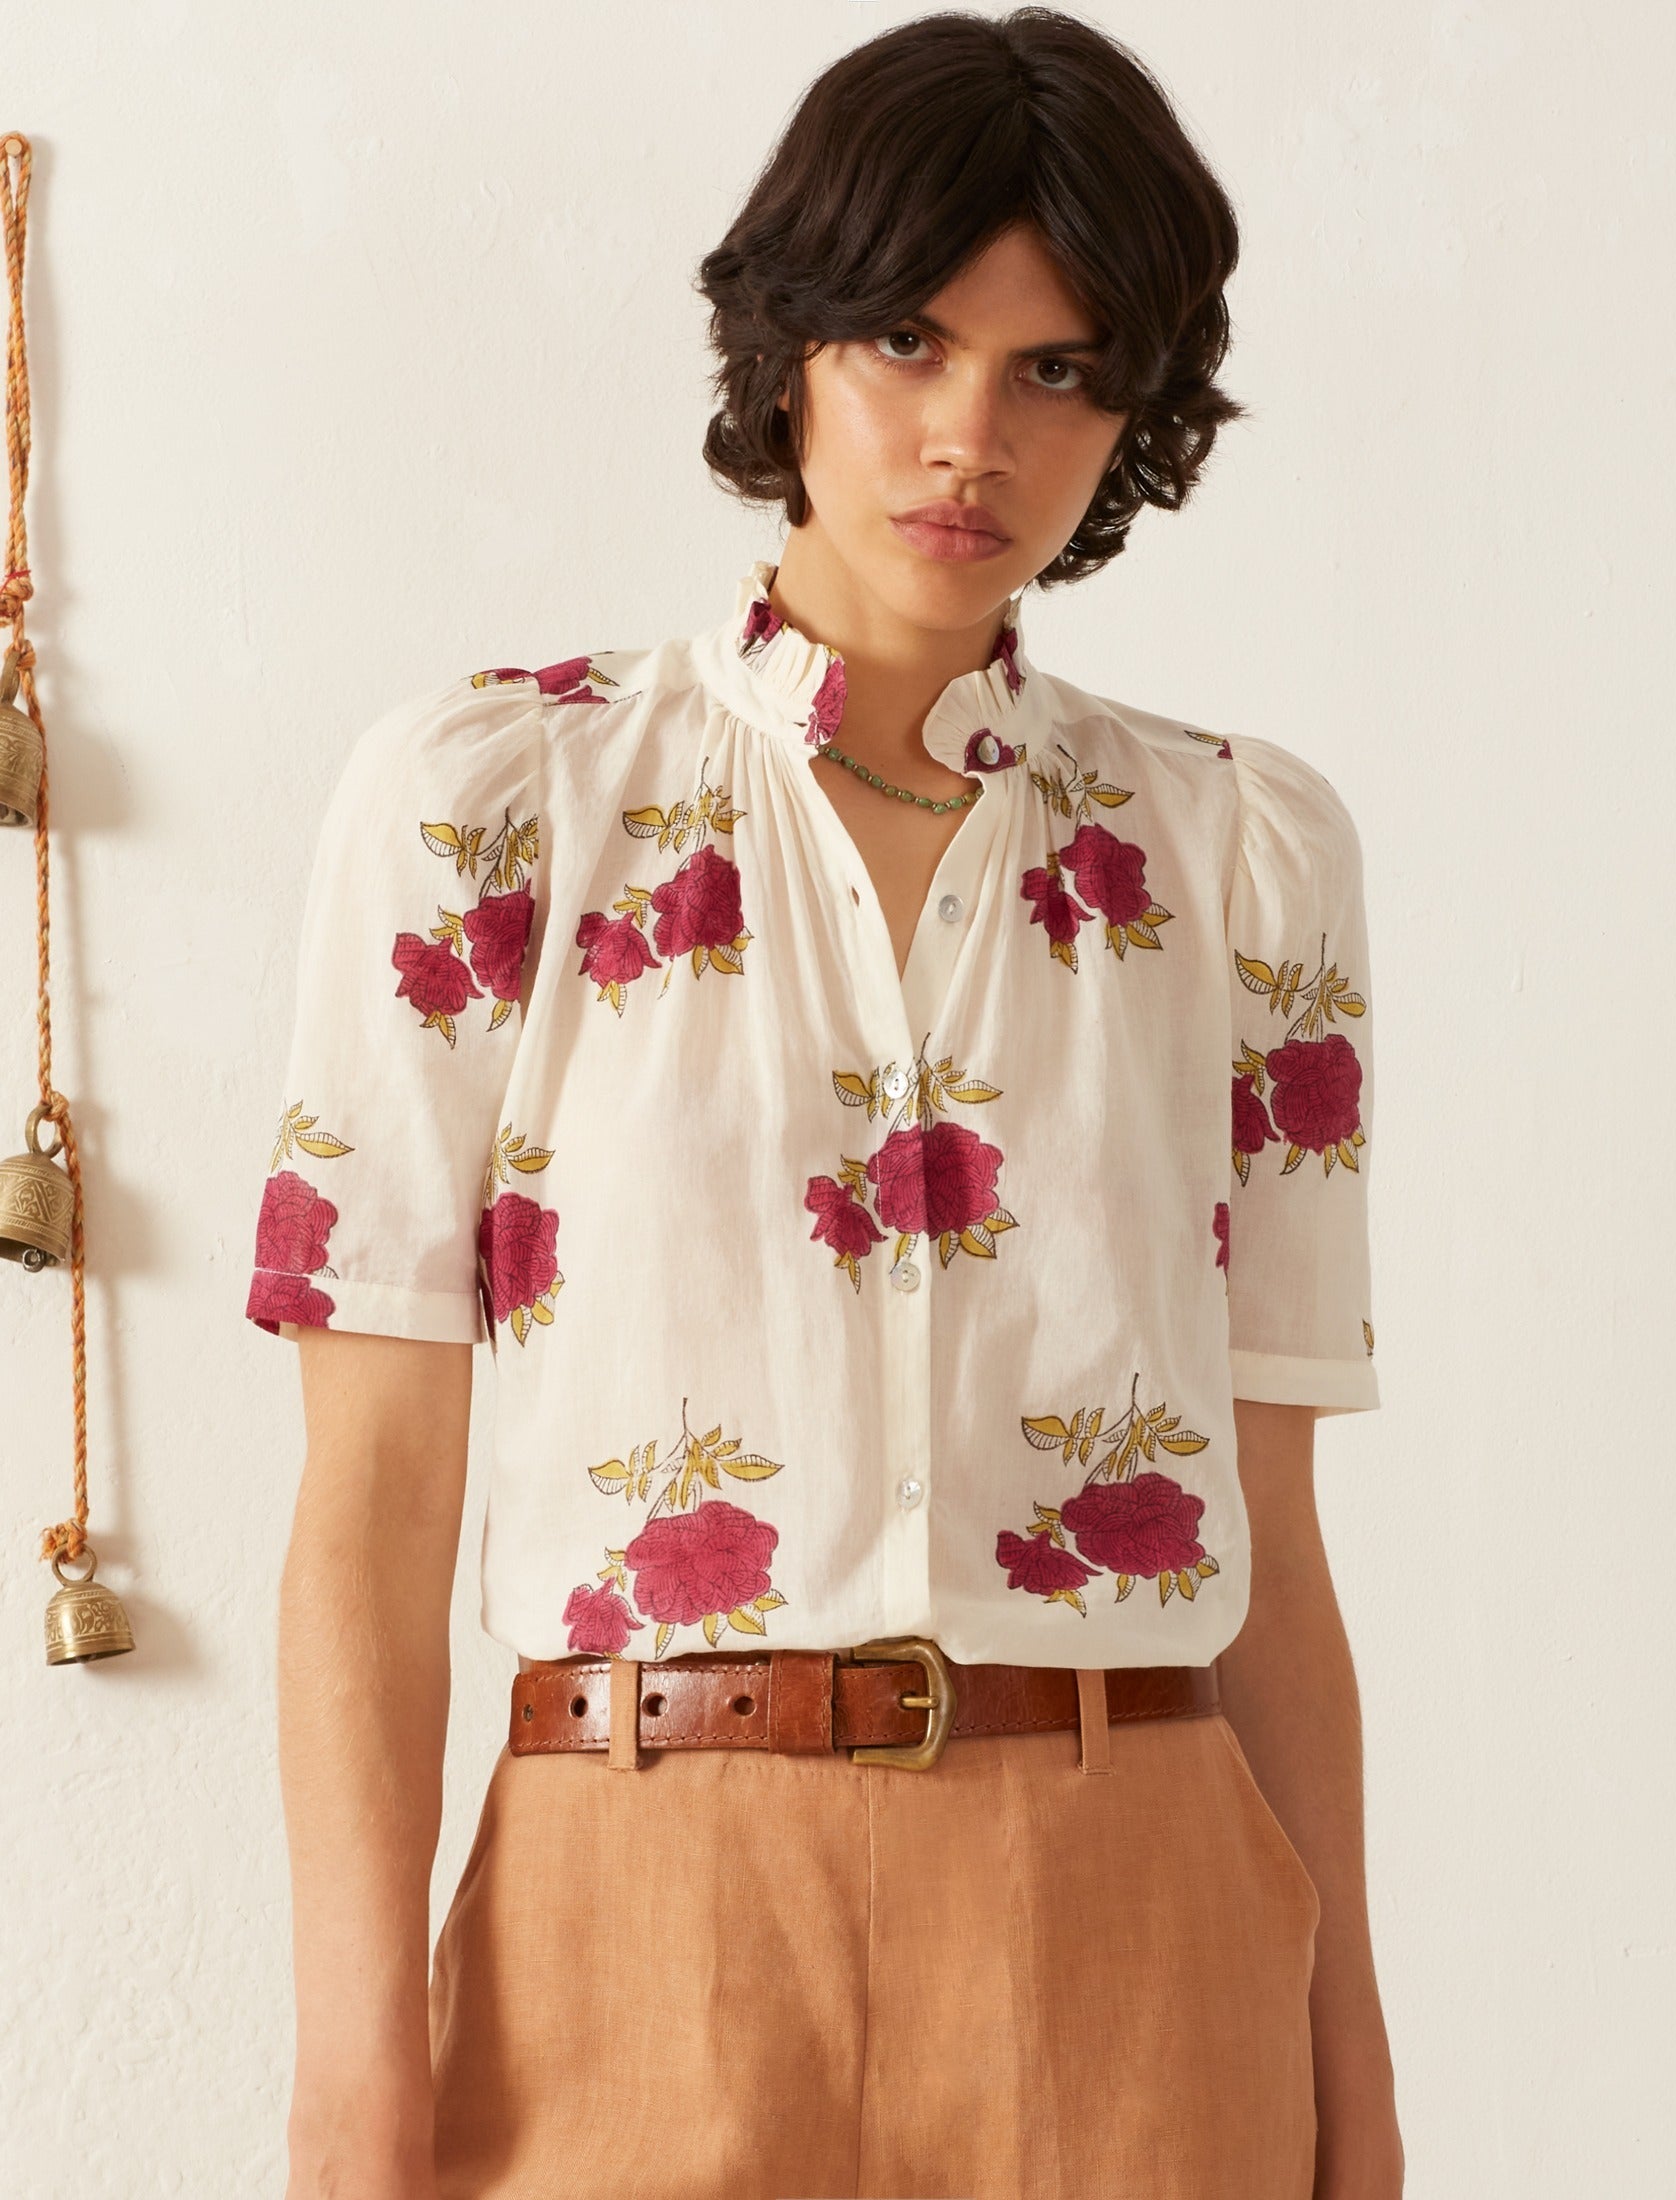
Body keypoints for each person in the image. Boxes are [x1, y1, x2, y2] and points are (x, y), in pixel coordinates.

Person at [248, 9, 1404, 2197]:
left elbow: (1277, 1543)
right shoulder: (492, 804)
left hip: (1135, 1908)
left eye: (1057, 368)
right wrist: (346, 2069)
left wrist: (1352, 2063)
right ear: (787, 345)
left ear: (1132, 411)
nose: (970, 433)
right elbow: (368, 1510)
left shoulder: (1242, 850)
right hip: (633, 1904)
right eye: (906, 339)